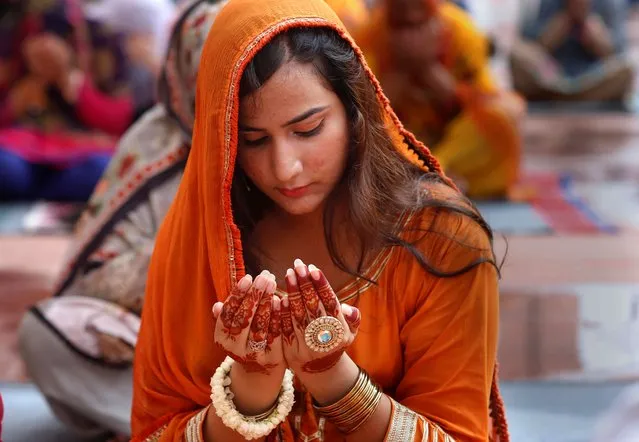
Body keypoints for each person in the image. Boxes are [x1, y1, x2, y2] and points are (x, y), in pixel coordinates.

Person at [130, 0, 508, 441]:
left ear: (354, 109)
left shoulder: (441, 239)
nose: (284, 168)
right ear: (223, 140)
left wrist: (333, 376)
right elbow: (156, 432)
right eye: (253, 141)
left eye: (307, 130)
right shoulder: (199, 245)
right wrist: (252, 388)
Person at [17, 0, 224, 439]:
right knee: (46, 334)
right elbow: (92, 277)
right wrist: (197, 257)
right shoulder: (157, 140)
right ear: (187, 73)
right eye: (221, 71)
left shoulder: (298, 142)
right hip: (172, 350)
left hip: (296, 351)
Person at [354, 0, 524, 200]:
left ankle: (433, 170)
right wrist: (401, 69)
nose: (409, 10)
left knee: (506, 111)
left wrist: (429, 70)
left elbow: (481, 101)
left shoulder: (460, 30)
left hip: (453, 145)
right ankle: (432, 176)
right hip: (400, 145)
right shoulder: (369, 36)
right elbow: (364, 110)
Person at [0, 0, 156, 201]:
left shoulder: (100, 37)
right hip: (19, 151)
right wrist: (18, 100)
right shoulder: (11, 34)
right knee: (7, 168)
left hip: (82, 153)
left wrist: (69, 81)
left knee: (103, 169)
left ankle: (39, 195)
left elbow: (118, 119)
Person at [510, 0, 634, 103]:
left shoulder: (609, 3)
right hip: (550, 77)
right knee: (516, 56)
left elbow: (618, 53)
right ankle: (569, 97)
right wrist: (555, 31)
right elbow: (528, 47)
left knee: (627, 69)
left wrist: (598, 38)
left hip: (594, 77)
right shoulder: (545, 3)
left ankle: (559, 98)